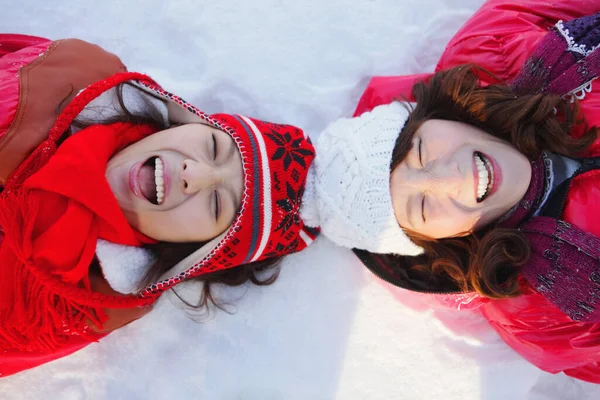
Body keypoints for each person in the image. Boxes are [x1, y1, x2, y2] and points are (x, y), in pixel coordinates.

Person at [302, 1, 600, 384]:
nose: (448, 179)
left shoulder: (494, 45)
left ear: (433, 117)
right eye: (423, 207)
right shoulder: (540, 315)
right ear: (441, 242)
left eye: (422, 151)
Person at [0, 36, 317, 377]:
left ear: (194, 252)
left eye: (215, 203)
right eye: (212, 146)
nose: (192, 173)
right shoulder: (70, 73)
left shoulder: (66, 310)